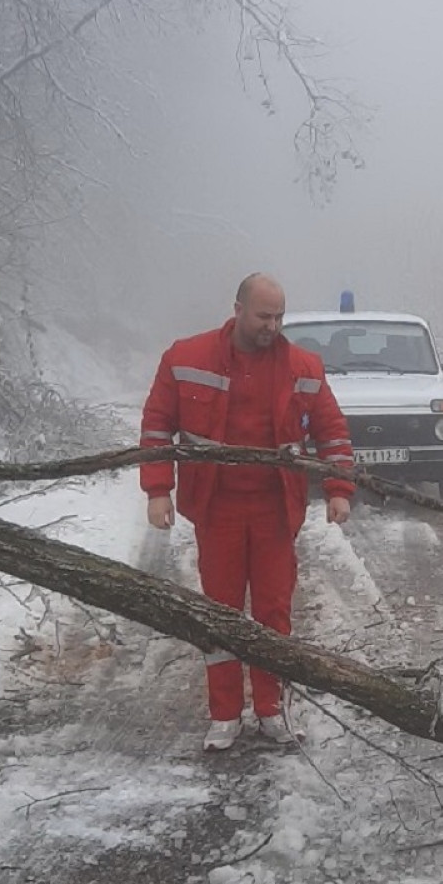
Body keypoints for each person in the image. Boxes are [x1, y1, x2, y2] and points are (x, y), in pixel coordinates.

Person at [141, 274, 355, 751]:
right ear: (237, 309)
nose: (272, 326)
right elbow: (157, 424)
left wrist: (339, 489)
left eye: (279, 316)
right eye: (264, 316)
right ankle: (224, 715)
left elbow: (332, 431)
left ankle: (271, 709)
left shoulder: (303, 367)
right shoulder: (185, 359)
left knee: (273, 614)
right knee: (220, 613)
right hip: (216, 509)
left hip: (275, 512)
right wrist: (158, 489)